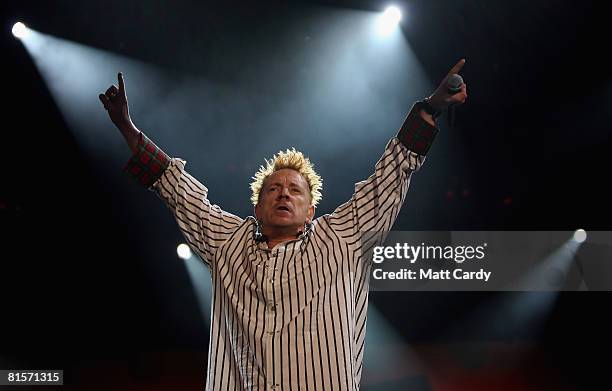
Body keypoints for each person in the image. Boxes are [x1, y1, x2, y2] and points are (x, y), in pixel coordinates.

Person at [99, 60, 467, 391]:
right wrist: (127, 129)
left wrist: (431, 107)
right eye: (273, 189)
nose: (284, 195)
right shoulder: (228, 242)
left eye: (295, 190)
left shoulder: (341, 237)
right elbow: (176, 189)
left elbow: (391, 173)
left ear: (310, 211)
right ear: (257, 209)